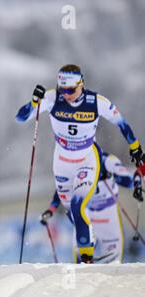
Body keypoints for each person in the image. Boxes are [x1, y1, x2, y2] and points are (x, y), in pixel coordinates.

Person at [16, 64, 145, 263]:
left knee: (78, 205)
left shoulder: (96, 102)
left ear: (81, 84)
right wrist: (34, 103)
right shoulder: (52, 98)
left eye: (71, 90)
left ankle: (86, 259)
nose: (66, 95)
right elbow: (21, 118)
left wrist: (135, 148)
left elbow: (121, 122)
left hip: (87, 159)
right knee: (72, 213)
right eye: (63, 90)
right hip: (61, 162)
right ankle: (88, 239)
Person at [41, 151, 143, 263]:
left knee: (114, 259)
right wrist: (52, 208)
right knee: (81, 254)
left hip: (108, 213)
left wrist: (114, 175)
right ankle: (83, 271)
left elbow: (128, 181)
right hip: (87, 212)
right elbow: (63, 188)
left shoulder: (108, 160)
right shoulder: (78, 163)